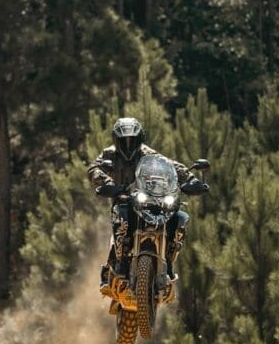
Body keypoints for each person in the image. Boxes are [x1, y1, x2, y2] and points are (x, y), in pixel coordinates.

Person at [87, 117, 208, 286]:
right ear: (116, 140)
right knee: (121, 218)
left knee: (178, 216)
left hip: (148, 201)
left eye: (132, 140)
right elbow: (94, 168)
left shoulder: (148, 153)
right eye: (124, 141)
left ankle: (168, 260)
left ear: (140, 139)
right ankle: (115, 265)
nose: (128, 145)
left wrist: (191, 179)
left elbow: (171, 166)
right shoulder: (109, 154)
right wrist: (107, 182)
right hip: (124, 199)